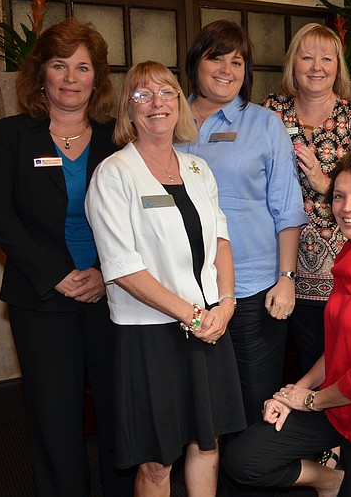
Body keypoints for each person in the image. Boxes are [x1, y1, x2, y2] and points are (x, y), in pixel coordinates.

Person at [0, 17, 132, 497]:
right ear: (40, 72)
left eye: (82, 67)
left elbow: (137, 218)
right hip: (41, 296)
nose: (71, 78)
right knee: (54, 411)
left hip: (113, 293)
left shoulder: (116, 138)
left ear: (96, 77)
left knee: (119, 406)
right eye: (60, 65)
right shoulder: (10, 135)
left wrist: (104, 272)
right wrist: (56, 274)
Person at [85, 61, 246, 497]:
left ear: (179, 102)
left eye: (166, 92)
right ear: (128, 109)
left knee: (207, 443)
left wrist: (226, 304)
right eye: (142, 95)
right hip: (151, 335)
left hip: (210, 326)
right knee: (157, 462)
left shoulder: (197, 169)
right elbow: (122, 268)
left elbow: (221, 241)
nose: (156, 103)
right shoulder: (114, 174)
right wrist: (193, 316)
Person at [223, 152, 351, 497]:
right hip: (337, 407)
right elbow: (340, 348)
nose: (347, 207)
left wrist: (310, 401)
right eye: (339, 196)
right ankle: (330, 480)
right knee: (244, 459)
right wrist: (292, 394)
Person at [178, 20, 307, 427]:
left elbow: (288, 208)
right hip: (186, 288)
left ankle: (254, 465)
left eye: (237, 62)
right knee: (200, 403)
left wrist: (286, 278)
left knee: (255, 401)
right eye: (216, 58)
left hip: (254, 287)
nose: (226, 70)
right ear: (195, 62)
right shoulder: (168, 121)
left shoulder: (264, 124)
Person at [263, 22, 351, 374]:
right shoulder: (271, 111)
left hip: (339, 268)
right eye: (307, 57)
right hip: (274, 264)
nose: (316, 67)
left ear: (338, 67)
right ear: (292, 64)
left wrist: (322, 182)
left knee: (335, 365)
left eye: (326, 59)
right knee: (276, 368)